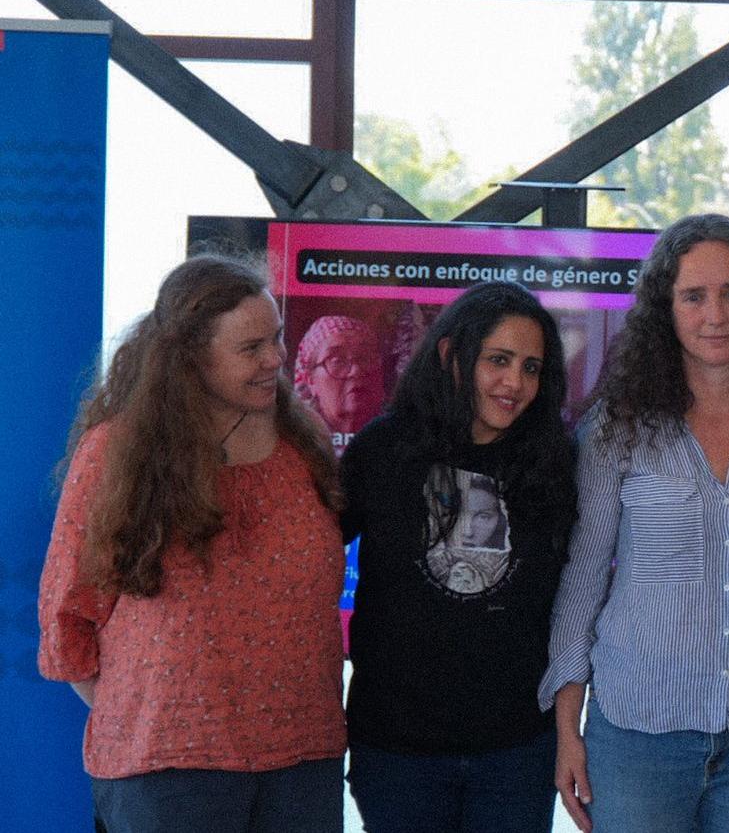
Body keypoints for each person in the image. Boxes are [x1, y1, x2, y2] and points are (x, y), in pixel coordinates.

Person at [539, 214, 729, 832]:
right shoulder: (617, 427)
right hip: (635, 741)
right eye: (694, 296)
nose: (716, 314)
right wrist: (566, 732)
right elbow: (582, 580)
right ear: (666, 308)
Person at [37, 254, 347, 833]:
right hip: (167, 772)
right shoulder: (117, 452)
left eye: (277, 339)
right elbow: (69, 613)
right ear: (189, 358)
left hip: (305, 760)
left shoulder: (301, 446)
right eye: (251, 347)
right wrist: (157, 711)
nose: (275, 359)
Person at [339, 282, 577, 833]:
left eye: (532, 367)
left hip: (516, 752)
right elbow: (307, 561)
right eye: (498, 360)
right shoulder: (383, 450)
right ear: (450, 355)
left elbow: (578, 596)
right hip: (397, 753)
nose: (515, 383)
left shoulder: (555, 462)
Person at [293, 313, 385, 451]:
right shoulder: (296, 445)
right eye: (337, 361)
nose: (356, 371)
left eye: (365, 358)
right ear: (310, 380)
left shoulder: (399, 440)